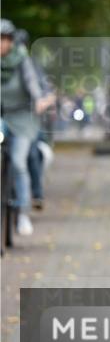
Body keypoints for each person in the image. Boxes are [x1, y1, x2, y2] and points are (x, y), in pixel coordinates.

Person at [0, 19, 49, 235]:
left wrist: (39, 100)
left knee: (20, 163)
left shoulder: (22, 61)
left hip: (23, 117)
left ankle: (23, 214)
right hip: (3, 115)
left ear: (10, 41)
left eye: (3, 39)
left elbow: (32, 84)